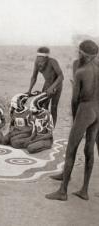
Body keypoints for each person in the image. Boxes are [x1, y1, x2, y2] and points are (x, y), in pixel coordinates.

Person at [46, 40, 99, 201]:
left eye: (79, 52)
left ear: (83, 54)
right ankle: (84, 190)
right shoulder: (97, 67)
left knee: (71, 149)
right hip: (98, 109)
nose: (78, 54)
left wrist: (76, 117)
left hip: (85, 109)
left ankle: (63, 191)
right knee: (89, 148)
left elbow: (75, 100)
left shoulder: (80, 72)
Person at [26, 47, 64, 126]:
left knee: (53, 107)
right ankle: (44, 125)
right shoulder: (36, 62)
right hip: (47, 83)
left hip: (57, 84)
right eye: (38, 57)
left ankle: (52, 127)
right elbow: (34, 77)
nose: (39, 61)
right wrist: (29, 90)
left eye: (41, 58)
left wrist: (52, 87)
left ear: (46, 58)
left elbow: (61, 76)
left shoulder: (53, 61)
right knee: (43, 105)